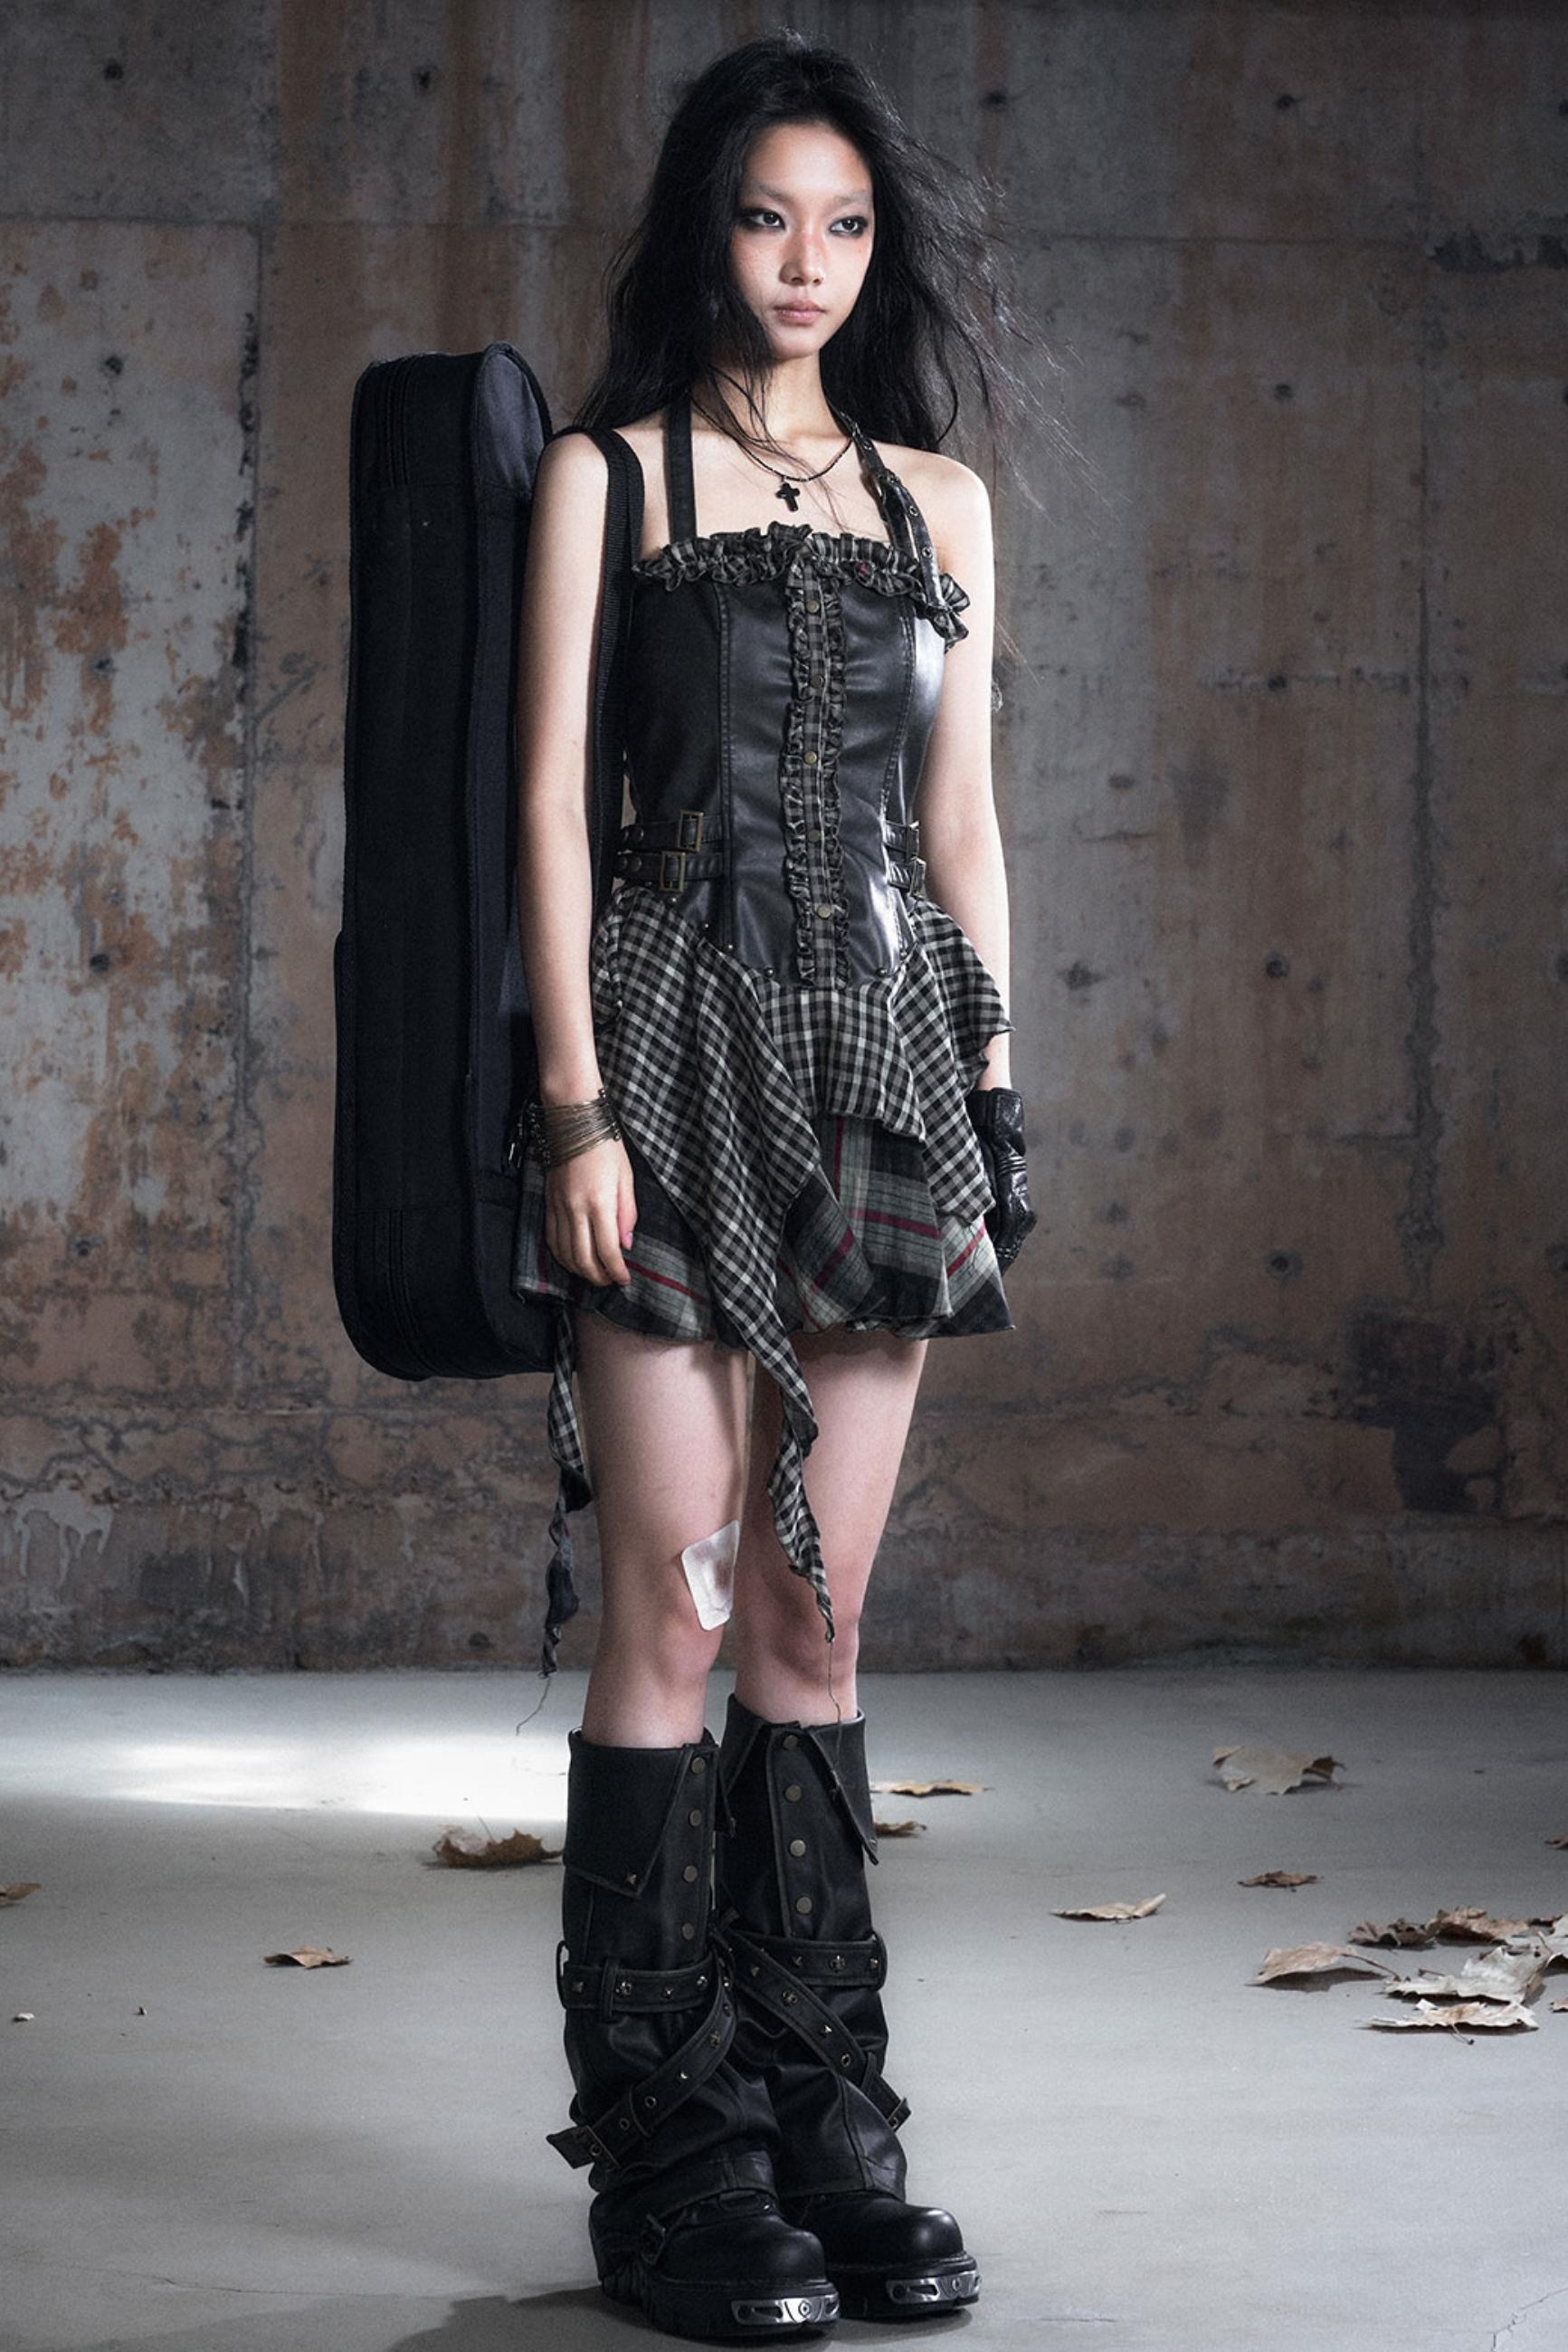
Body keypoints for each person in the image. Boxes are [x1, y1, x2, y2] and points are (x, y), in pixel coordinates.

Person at [511, 29, 1037, 2342]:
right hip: (666, 1025)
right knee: (677, 1602)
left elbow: (961, 825)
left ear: (877, 247)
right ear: (703, 232)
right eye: (762, 216)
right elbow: (549, 809)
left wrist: (994, 1086)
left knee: (817, 1622)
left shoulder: (942, 502)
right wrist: (575, 1108)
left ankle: (828, 2127)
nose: (803, 262)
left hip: (885, 1062)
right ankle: (668, 2157)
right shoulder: (610, 475)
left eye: (842, 222)